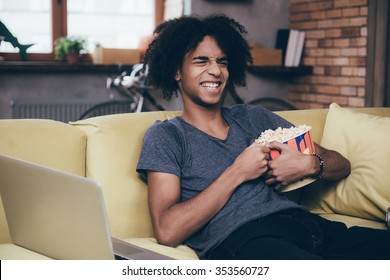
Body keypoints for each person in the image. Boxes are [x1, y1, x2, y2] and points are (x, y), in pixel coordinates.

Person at [136, 14, 390, 260]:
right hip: (245, 239)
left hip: (307, 226)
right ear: (176, 72)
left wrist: (310, 164)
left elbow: (342, 165)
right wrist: (238, 172)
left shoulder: (254, 118)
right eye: (201, 61)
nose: (216, 71)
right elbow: (167, 230)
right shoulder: (166, 136)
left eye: (222, 62)